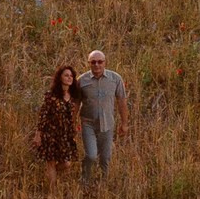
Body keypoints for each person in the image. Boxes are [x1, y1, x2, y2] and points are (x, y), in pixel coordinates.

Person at [73, 49, 129, 177]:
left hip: (107, 124)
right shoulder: (82, 80)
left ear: (105, 63)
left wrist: (124, 124)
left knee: (105, 158)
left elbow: (121, 101)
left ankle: (103, 182)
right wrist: (72, 122)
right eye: (93, 62)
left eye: (100, 62)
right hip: (88, 124)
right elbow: (75, 103)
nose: (96, 65)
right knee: (91, 155)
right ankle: (85, 179)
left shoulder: (115, 79)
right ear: (89, 63)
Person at [31, 63, 80, 170]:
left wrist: (73, 128)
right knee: (51, 163)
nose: (69, 78)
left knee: (66, 164)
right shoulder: (51, 95)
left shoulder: (72, 96)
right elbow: (43, 115)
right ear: (60, 77)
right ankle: (52, 185)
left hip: (65, 134)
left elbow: (72, 116)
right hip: (51, 133)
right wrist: (38, 134)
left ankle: (50, 173)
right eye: (66, 75)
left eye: (71, 76)